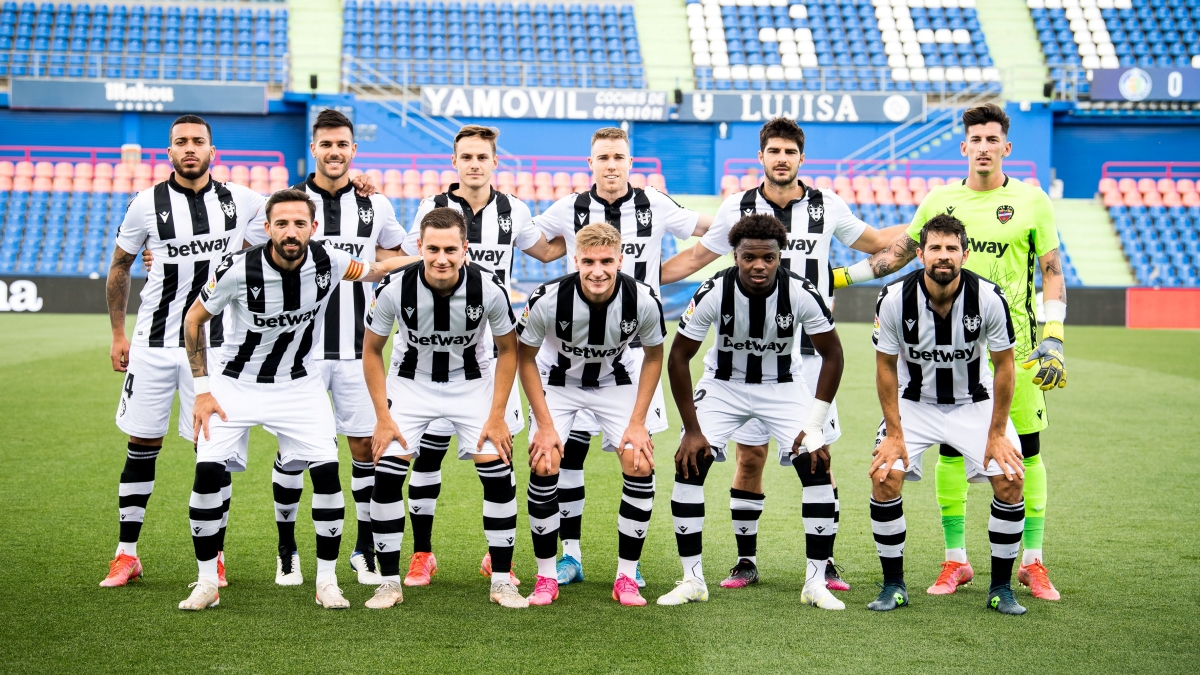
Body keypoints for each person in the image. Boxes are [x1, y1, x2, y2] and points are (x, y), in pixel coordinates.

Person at [659, 117, 905, 591]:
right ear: (762, 157)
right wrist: (644, 280)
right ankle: (745, 561)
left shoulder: (827, 205)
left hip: (810, 352)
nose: (782, 159)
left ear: (800, 158)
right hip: (744, 350)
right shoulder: (738, 207)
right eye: (774, 150)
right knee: (749, 456)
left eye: (790, 151)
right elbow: (696, 258)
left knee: (817, 454)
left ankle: (824, 563)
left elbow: (875, 243)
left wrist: (923, 230)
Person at [836, 103, 1066, 600]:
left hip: (1017, 349)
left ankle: (1033, 561)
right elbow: (896, 255)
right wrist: (838, 276)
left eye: (992, 139)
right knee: (949, 452)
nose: (984, 147)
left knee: (1023, 451)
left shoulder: (1032, 201)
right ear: (964, 147)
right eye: (975, 139)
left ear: (1007, 147)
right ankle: (955, 560)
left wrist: (1055, 335)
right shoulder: (941, 200)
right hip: (947, 352)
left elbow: (1051, 269)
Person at [176, 188, 410, 611]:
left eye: (299, 223)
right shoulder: (236, 269)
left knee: (326, 474)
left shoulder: (329, 261)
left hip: (298, 384)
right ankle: (207, 580)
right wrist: (202, 391)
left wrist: (426, 259)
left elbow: (375, 269)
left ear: (313, 228)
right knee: (207, 472)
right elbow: (194, 320)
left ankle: (326, 581)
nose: (290, 231)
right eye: (281, 223)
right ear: (267, 228)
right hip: (234, 383)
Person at [236, 109, 409, 587]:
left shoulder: (377, 206)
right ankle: (287, 548)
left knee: (364, 450)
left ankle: (363, 550)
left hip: (359, 349)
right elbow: (249, 251)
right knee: (296, 454)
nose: (335, 152)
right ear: (314, 150)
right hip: (298, 353)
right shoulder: (289, 202)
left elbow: (394, 255)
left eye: (343, 145)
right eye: (326, 145)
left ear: (354, 151)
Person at [532, 127, 710, 588]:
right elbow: (529, 237)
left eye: (619, 156)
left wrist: (751, 225)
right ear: (589, 163)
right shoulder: (569, 207)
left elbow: (705, 232)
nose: (611, 164)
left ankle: (626, 571)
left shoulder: (655, 203)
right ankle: (568, 555)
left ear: (630, 162)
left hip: (630, 354)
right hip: (571, 356)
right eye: (602, 157)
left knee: (638, 458)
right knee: (567, 457)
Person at [101, 114, 265, 588]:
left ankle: (213, 557)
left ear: (214, 150)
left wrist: (358, 183)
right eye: (180, 142)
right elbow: (120, 267)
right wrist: (117, 333)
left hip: (216, 348)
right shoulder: (146, 204)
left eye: (198, 141)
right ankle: (126, 553)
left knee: (213, 452)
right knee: (141, 445)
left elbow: (302, 206)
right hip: (153, 344)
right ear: (169, 151)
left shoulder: (243, 200)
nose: (189, 148)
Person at [398, 124, 565, 588]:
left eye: (482, 157)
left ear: (496, 162)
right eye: (466, 156)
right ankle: (422, 554)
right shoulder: (432, 209)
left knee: (497, 456)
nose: (474, 164)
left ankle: (499, 556)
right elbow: (411, 258)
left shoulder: (514, 209)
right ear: (454, 162)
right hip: (431, 352)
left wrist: (587, 225)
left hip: (490, 353)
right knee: (427, 459)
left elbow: (548, 251)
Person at [661, 213, 845, 610]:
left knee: (815, 460)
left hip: (782, 386)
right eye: (748, 258)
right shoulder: (713, 290)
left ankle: (816, 581)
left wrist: (814, 425)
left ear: (780, 257)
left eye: (768, 258)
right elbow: (678, 358)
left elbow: (833, 355)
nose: (758, 265)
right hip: (724, 385)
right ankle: (692, 578)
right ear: (735, 257)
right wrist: (692, 429)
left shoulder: (800, 291)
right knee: (689, 460)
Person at [360, 207, 526, 610]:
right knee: (386, 475)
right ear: (419, 247)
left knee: (498, 475)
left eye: (451, 249)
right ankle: (388, 582)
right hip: (411, 385)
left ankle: (502, 581)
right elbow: (371, 350)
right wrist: (383, 416)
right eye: (432, 249)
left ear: (465, 248)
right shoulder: (395, 289)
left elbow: (509, 351)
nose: (441, 258)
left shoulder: (489, 288)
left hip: (473, 385)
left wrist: (497, 414)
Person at [866, 213, 1028, 615]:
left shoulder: (988, 297)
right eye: (935, 248)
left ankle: (1001, 590)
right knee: (884, 476)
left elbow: (1005, 366)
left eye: (951, 249)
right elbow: (885, 366)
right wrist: (893, 433)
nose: (943, 256)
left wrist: (997, 433)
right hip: (914, 402)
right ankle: (893, 586)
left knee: (1010, 479)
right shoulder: (893, 298)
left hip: (974, 403)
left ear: (965, 254)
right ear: (920, 254)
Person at [514, 223, 667, 607]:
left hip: (615, 383)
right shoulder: (548, 298)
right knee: (545, 461)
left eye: (605, 261)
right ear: (575, 260)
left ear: (620, 260)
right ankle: (546, 575)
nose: (597, 270)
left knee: (638, 461)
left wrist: (637, 422)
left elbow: (653, 356)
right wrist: (545, 425)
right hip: (559, 383)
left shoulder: (642, 299)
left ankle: (627, 577)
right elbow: (525, 358)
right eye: (588, 262)